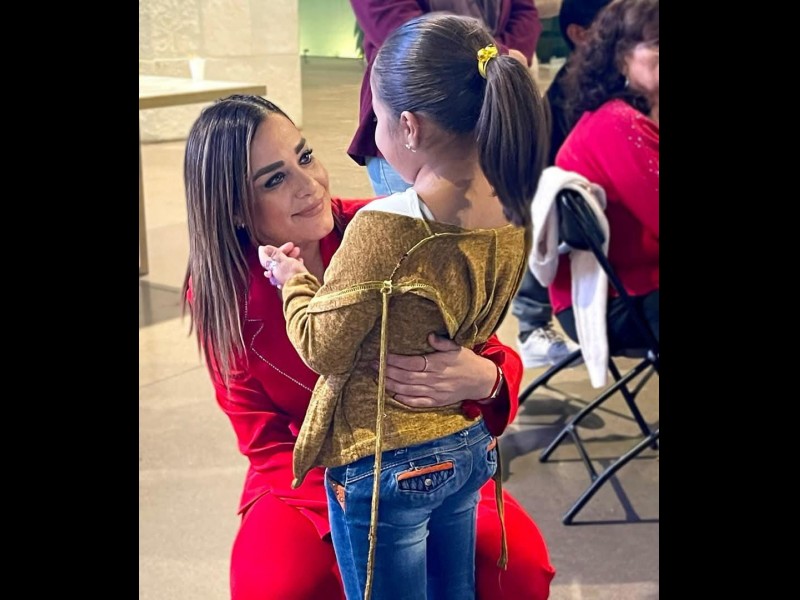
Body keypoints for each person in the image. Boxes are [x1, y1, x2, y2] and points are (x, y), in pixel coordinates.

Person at [180, 93, 555, 599]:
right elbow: (260, 434)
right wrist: (351, 501)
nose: (309, 184)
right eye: (274, 179)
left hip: (429, 448)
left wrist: (486, 379)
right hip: (307, 473)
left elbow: (488, 348)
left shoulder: (386, 229)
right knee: (276, 587)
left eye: (305, 156)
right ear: (233, 209)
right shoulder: (223, 292)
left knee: (518, 567)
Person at [259, 13, 549, 600]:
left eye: (378, 119)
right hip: (467, 444)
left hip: (384, 459)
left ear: (409, 127)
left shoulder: (384, 226)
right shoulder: (515, 207)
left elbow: (323, 347)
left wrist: (294, 281)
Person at [550, 0, 659, 351]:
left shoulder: (635, 116)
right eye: (656, 42)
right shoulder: (617, 123)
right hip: (615, 296)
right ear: (620, 57)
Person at [511, 0, 613, 369]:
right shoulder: (580, 90)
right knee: (543, 209)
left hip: (581, 215)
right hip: (556, 205)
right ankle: (532, 325)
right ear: (579, 34)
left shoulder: (606, 78)